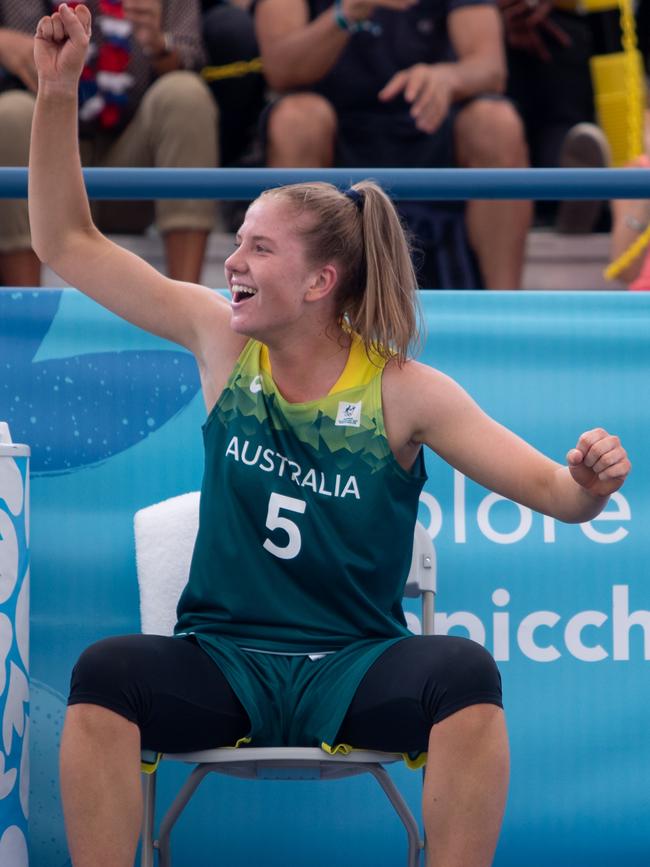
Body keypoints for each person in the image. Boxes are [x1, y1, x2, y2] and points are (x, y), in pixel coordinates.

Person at [30, 6, 631, 867]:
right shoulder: (221, 337)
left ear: (319, 280)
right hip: (225, 663)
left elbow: (558, 498)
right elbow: (64, 240)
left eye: (258, 248)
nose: (231, 261)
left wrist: (592, 481)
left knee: (464, 674)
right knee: (105, 673)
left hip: (353, 668)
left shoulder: (406, 391)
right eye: (237, 242)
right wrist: (57, 90)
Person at [254, 0, 532, 291]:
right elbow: (280, 69)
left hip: (431, 124)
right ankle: (294, 304)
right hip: (335, 135)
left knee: (495, 122)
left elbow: (490, 67)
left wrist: (447, 78)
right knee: (296, 120)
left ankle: (503, 310)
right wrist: (346, 14)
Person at [0, 0, 216, 287]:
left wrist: (159, 44)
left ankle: (190, 314)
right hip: (42, 161)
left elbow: (191, 54)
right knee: (12, 112)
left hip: (130, 162)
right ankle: (28, 313)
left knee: (185, 94)